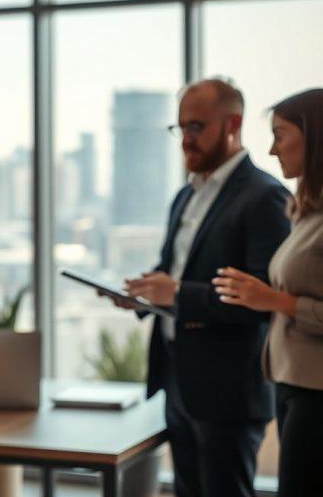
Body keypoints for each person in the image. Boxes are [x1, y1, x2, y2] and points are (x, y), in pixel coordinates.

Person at [113, 78, 290, 497]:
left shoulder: (264, 197)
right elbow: (175, 269)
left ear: (233, 123)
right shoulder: (184, 197)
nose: (186, 140)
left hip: (229, 390)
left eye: (196, 127)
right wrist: (140, 293)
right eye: (180, 129)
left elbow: (261, 299)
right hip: (178, 380)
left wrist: (175, 294)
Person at [212, 88, 323, 497]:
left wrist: (276, 301)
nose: (273, 150)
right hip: (293, 383)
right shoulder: (306, 212)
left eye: (280, 134)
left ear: (314, 137)